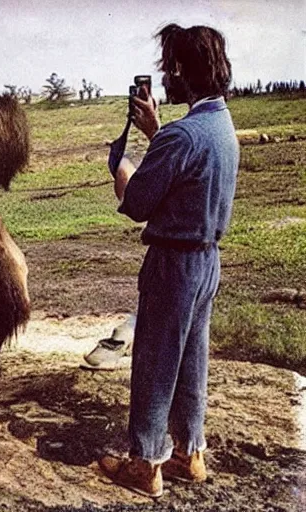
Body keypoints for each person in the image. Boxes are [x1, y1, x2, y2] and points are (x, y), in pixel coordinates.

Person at [97, 24, 239, 499]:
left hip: (173, 264)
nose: (165, 77)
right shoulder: (221, 126)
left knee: (156, 360)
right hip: (206, 261)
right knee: (191, 359)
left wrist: (120, 164)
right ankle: (189, 453)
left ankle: (144, 465)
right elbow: (187, 178)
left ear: (180, 71)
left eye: (169, 68)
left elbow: (137, 202)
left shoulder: (181, 137)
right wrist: (158, 133)